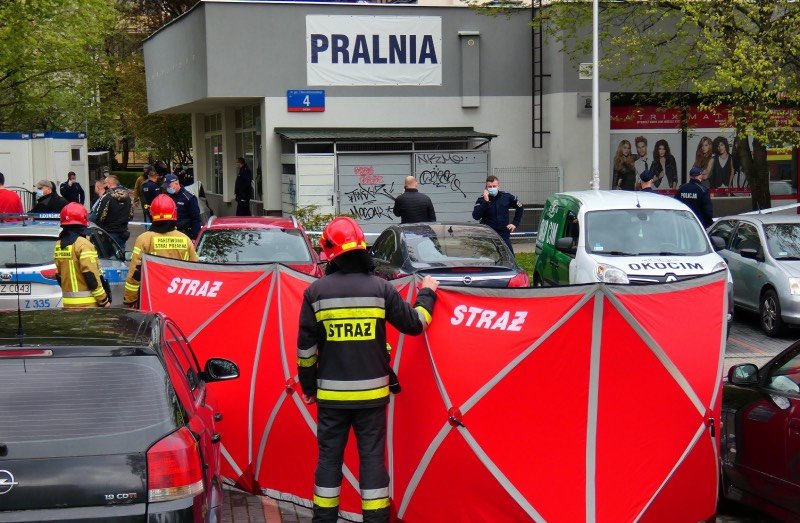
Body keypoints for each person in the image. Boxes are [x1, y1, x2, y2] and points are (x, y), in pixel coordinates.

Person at [297, 216, 438, 523]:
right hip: (372, 396)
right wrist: (427, 292)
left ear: (330, 252)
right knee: (372, 460)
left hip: (331, 397)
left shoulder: (315, 293)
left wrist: (308, 388)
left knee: (328, 460)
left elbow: (306, 353)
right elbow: (416, 324)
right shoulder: (381, 289)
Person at [123, 195, 198, 308]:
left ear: (152, 215)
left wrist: (130, 299)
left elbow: (135, 273)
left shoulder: (144, 239)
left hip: (151, 299)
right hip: (179, 298)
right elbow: (195, 271)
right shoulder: (185, 239)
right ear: (174, 214)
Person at [53, 203, 110, 309]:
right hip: (88, 305)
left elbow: (59, 275)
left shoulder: (59, 244)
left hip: (68, 304)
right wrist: (103, 300)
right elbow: (90, 275)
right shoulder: (84, 244)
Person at [472, 175, 524, 254]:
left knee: (509, 257)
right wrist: (486, 201)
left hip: (503, 234)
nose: (492, 188)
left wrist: (515, 223)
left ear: (498, 186)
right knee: (487, 258)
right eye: (490, 186)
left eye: (494, 186)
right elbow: (475, 216)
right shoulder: (481, 199)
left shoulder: (507, 197)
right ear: (486, 188)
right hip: (487, 234)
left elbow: (520, 207)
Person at [95, 174, 133, 249]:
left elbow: (100, 216)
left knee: (109, 257)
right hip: (123, 232)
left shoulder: (107, 197)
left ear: (109, 184)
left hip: (109, 232)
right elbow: (130, 215)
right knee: (121, 255)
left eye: (105, 183)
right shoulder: (128, 197)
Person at [164, 173, 201, 239]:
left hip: (185, 234)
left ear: (176, 183)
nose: (167, 188)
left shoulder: (189, 197)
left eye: (169, 186)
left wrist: (194, 237)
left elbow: (196, 219)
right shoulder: (168, 197)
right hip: (170, 233)